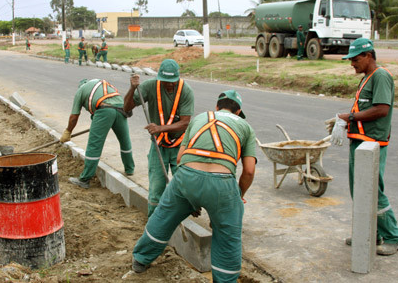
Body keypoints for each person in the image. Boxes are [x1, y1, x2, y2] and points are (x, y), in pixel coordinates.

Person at [132, 90, 257, 282]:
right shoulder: (246, 127)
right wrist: (238, 195)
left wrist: (192, 196)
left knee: (163, 216)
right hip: (221, 184)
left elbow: (181, 157)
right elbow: (248, 171)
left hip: (186, 178)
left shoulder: (200, 118)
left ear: (216, 106)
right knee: (227, 235)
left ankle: (140, 260)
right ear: (238, 111)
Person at [330, 38, 398, 256]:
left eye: (355, 59)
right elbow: (365, 110)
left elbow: (381, 110)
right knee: (359, 190)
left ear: (368, 55)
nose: (352, 63)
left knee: (372, 191)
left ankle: (392, 237)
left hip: (372, 144)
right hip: (360, 141)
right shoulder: (367, 78)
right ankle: (369, 233)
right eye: (350, 60)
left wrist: (348, 116)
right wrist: (346, 122)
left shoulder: (381, 76)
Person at [123, 59, 194, 216]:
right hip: (158, 145)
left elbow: (185, 123)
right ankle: (154, 224)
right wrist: (132, 88)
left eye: (172, 82)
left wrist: (160, 128)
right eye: (165, 82)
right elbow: (126, 108)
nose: (169, 85)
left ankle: (184, 214)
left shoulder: (185, 90)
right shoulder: (150, 86)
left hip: (179, 145)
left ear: (178, 78)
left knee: (184, 185)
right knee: (156, 188)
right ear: (159, 78)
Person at [62, 79, 135, 189]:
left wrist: (68, 131)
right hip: (121, 107)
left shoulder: (80, 91)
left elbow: (74, 117)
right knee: (124, 140)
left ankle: (85, 179)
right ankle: (130, 169)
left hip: (104, 110)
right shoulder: (100, 84)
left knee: (94, 145)